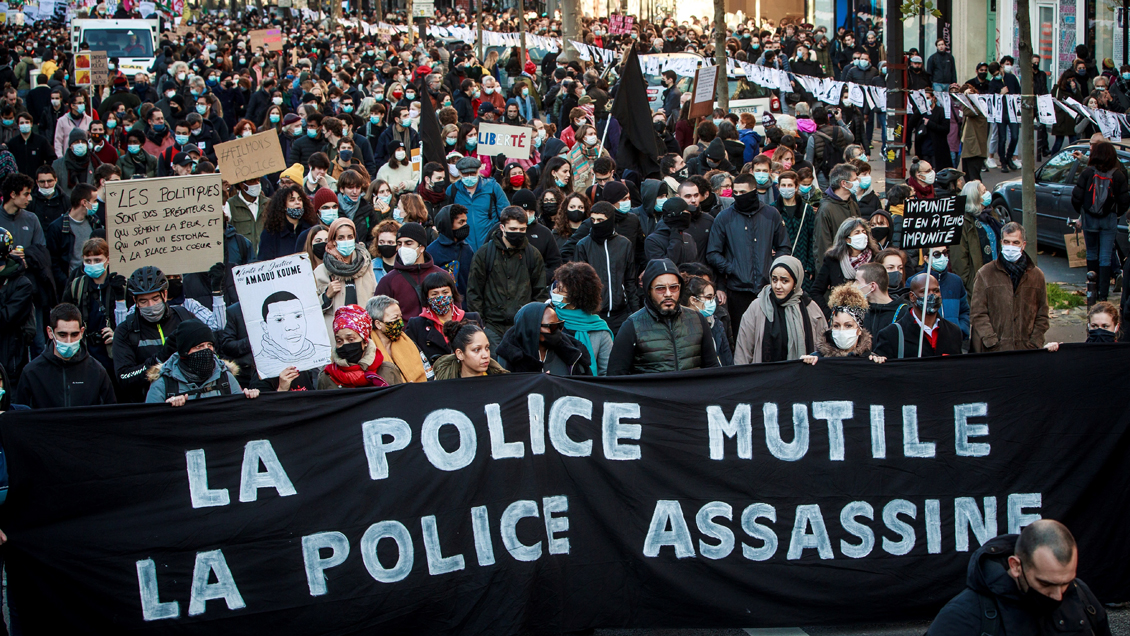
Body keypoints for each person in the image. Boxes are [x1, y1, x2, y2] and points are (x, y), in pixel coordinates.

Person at [925, 520, 1111, 636]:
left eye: (1066, 583)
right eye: (1045, 583)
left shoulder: (1083, 597)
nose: (1057, 596)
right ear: (1016, 566)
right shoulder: (962, 616)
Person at [607, 258, 720, 375]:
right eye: (660, 289)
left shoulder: (697, 320)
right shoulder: (632, 326)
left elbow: (712, 369)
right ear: (649, 291)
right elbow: (616, 377)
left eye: (673, 287)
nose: (668, 294)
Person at [707, 177, 791, 324]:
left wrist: (773, 268)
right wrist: (732, 268)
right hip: (738, 290)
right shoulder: (724, 218)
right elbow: (713, 253)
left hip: (767, 288)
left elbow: (784, 246)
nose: (739, 196)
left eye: (743, 192)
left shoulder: (771, 214)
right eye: (736, 192)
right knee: (742, 335)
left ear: (753, 191)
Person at [466, 206, 549, 350]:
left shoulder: (533, 255)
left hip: (522, 326)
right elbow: (474, 292)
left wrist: (533, 323)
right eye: (513, 229)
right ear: (502, 228)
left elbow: (540, 292)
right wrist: (481, 325)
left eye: (522, 230)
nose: (518, 233)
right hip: (492, 326)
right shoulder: (485, 254)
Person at [112, 266, 196, 403]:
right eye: (143, 301)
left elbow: (211, 356)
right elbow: (124, 378)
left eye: (155, 298)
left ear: (165, 294)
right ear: (135, 301)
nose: (151, 306)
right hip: (148, 406)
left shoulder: (185, 317)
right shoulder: (125, 331)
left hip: (187, 401)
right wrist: (158, 360)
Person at [14, 302, 115, 408]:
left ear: (82, 332)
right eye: (62, 335)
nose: (68, 341)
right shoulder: (32, 373)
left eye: (74, 334)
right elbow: (21, 417)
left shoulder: (97, 371)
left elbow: (110, 415)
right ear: (50, 332)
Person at [970, 223, 1050, 352]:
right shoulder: (985, 273)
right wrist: (991, 341)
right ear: (1001, 242)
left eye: (1015, 242)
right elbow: (978, 313)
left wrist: (1035, 341)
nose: (1010, 247)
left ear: (1023, 245)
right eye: (1007, 242)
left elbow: (1042, 314)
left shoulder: (1037, 275)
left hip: (1027, 350)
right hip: (996, 350)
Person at [733, 255, 827, 364]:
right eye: (774, 280)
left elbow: (824, 348)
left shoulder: (810, 308)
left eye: (784, 281)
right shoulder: (758, 307)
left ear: (795, 283)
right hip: (765, 378)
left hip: (800, 378)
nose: (778, 286)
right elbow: (743, 351)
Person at [145, 319, 259, 406]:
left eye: (209, 345)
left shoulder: (225, 377)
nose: (206, 350)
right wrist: (168, 408)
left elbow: (240, 412)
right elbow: (151, 423)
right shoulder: (164, 383)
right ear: (184, 352)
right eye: (199, 346)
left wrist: (249, 398)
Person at [1070, 140, 1129, 302]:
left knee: (1091, 253)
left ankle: (1092, 290)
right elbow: (1125, 200)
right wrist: (1115, 213)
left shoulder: (1088, 173)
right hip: (1109, 219)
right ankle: (1104, 294)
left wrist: (1083, 211)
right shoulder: (1117, 175)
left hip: (1089, 218)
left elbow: (1076, 197)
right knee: (1105, 256)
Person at [573, 202, 637, 333]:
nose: (596, 223)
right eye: (593, 220)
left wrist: (635, 312)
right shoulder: (583, 245)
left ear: (610, 220)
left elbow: (630, 281)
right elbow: (579, 285)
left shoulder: (624, 244)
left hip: (621, 315)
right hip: (593, 316)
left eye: (600, 220)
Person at [873, 272, 964, 358]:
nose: (932, 296)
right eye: (924, 292)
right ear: (912, 297)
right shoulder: (891, 334)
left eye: (936, 291)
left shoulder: (953, 331)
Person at [315, 217, 377, 338]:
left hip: (364, 336)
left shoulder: (365, 265)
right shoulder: (321, 271)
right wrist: (326, 296)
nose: (346, 241)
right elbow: (310, 309)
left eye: (350, 237)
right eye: (341, 238)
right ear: (333, 241)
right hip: (335, 337)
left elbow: (374, 296)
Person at [405, 271, 484, 364]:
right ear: (427, 297)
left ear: (452, 293)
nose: (441, 297)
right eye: (434, 294)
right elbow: (411, 358)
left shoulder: (472, 319)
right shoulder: (416, 325)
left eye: (445, 292)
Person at [374, 221, 447, 319]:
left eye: (408, 243)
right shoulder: (388, 281)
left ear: (421, 248)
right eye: (399, 244)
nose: (403, 248)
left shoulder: (441, 276)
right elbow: (378, 316)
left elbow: (455, 311)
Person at [551, 262, 613, 376]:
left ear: (576, 298)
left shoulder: (601, 331)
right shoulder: (548, 320)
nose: (554, 292)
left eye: (560, 289)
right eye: (555, 287)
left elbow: (606, 373)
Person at [318, 303, 402, 389]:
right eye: (339, 341)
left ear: (364, 341)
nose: (345, 345)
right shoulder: (327, 377)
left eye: (351, 339)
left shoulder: (387, 370)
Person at [496, 301, 591, 376]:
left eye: (560, 325)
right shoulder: (508, 357)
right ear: (532, 328)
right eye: (552, 327)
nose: (558, 331)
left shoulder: (570, 353)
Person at [800, 283, 886, 364]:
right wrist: (805, 364)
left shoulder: (871, 360)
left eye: (848, 326)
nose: (842, 331)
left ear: (859, 329)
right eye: (836, 326)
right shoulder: (817, 359)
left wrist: (879, 366)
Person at [812, 218, 880, 314]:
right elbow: (816, 291)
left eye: (864, 232)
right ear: (847, 239)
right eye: (857, 233)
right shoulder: (833, 260)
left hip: (869, 315)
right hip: (841, 316)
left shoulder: (875, 259)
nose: (862, 235)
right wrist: (829, 314)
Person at [951, 180, 1004, 297]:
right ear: (975, 198)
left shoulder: (990, 216)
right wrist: (968, 284)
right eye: (983, 191)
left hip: (997, 278)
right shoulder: (963, 223)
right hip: (977, 284)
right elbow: (959, 259)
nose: (987, 193)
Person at [447, 156, 509, 250]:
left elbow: (506, 214)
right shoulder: (452, 191)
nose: (469, 177)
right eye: (465, 174)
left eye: (473, 173)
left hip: (491, 245)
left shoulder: (493, 187)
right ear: (459, 173)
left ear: (479, 171)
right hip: (464, 247)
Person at [365, 295, 430, 383]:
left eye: (400, 317)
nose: (401, 323)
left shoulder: (409, 342)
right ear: (378, 324)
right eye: (395, 318)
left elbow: (429, 374)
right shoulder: (366, 350)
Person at [920, 244, 971, 338]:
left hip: (954, 340)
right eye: (936, 254)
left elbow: (964, 311)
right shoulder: (916, 281)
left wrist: (961, 330)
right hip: (927, 342)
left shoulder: (956, 281)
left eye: (945, 253)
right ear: (926, 258)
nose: (942, 257)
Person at [681, 275, 733, 366]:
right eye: (709, 297)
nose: (713, 302)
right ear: (693, 300)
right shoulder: (680, 327)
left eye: (713, 297)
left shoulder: (716, 324)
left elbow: (727, 360)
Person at [432, 319, 508, 380]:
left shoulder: (501, 380)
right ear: (460, 354)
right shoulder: (443, 382)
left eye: (487, 348)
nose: (485, 355)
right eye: (477, 350)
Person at [426, 204, 474, 299]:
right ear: (449, 225)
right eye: (461, 222)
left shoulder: (467, 249)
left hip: (465, 305)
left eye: (465, 222)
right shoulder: (432, 251)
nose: (465, 226)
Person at [258, 185, 318, 261]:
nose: (297, 203)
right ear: (283, 206)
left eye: (299, 199)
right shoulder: (270, 233)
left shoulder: (311, 228)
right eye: (292, 200)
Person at [814, 163, 860, 260]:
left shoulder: (852, 204)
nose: (858, 182)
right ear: (844, 183)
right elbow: (823, 246)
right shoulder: (826, 210)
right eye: (855, 179)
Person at [856, 262, 909, 336]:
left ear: (872, 286)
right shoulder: (858, 310)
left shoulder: (903, 312)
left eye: (857, 282)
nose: (854, 286)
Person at [1045, 301, 1121, 350]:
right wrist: (1051, 350)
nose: (1099, 331)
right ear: (1088, 326)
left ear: (1116, 327)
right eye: (1094, 326)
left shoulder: (1124, 355)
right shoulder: (1079, 352)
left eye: (1105, 326)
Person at [644, 197, 697, 265]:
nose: (690, 215)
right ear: (677, 215)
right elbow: (664, 267)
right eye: (686, 212)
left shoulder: (688, 237)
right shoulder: (653, 240)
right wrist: (675, 239)